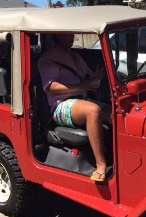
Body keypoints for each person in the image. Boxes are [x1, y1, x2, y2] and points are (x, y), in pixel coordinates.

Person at [38, 33, 111, 182]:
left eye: (72, 35)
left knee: (113, 112)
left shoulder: (74, 56)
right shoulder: (48, 58)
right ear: (57, 37)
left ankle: (116, 155)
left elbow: (88, 74)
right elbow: (50, 86)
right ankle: (101, 165)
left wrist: (97, 75)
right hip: (60, 105)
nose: (72, 37)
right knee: (93, 111)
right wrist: (79, 86)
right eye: (68, 35)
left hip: (80, 100)